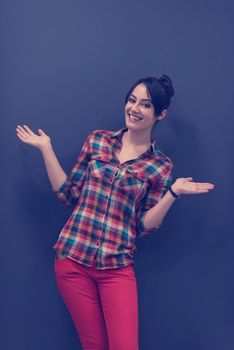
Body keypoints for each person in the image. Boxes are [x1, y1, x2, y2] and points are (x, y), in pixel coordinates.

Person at [16, 75, 214, 350]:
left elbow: (144, 226)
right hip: (72, 261)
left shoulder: (161, 166)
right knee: (93, 346)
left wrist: (173, 192)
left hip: (116, 267)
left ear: (160, 114)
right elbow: (69, 194)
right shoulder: (97, 141)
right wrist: (46, 149)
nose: (134, 108)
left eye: (145, 105)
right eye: (132, 100)